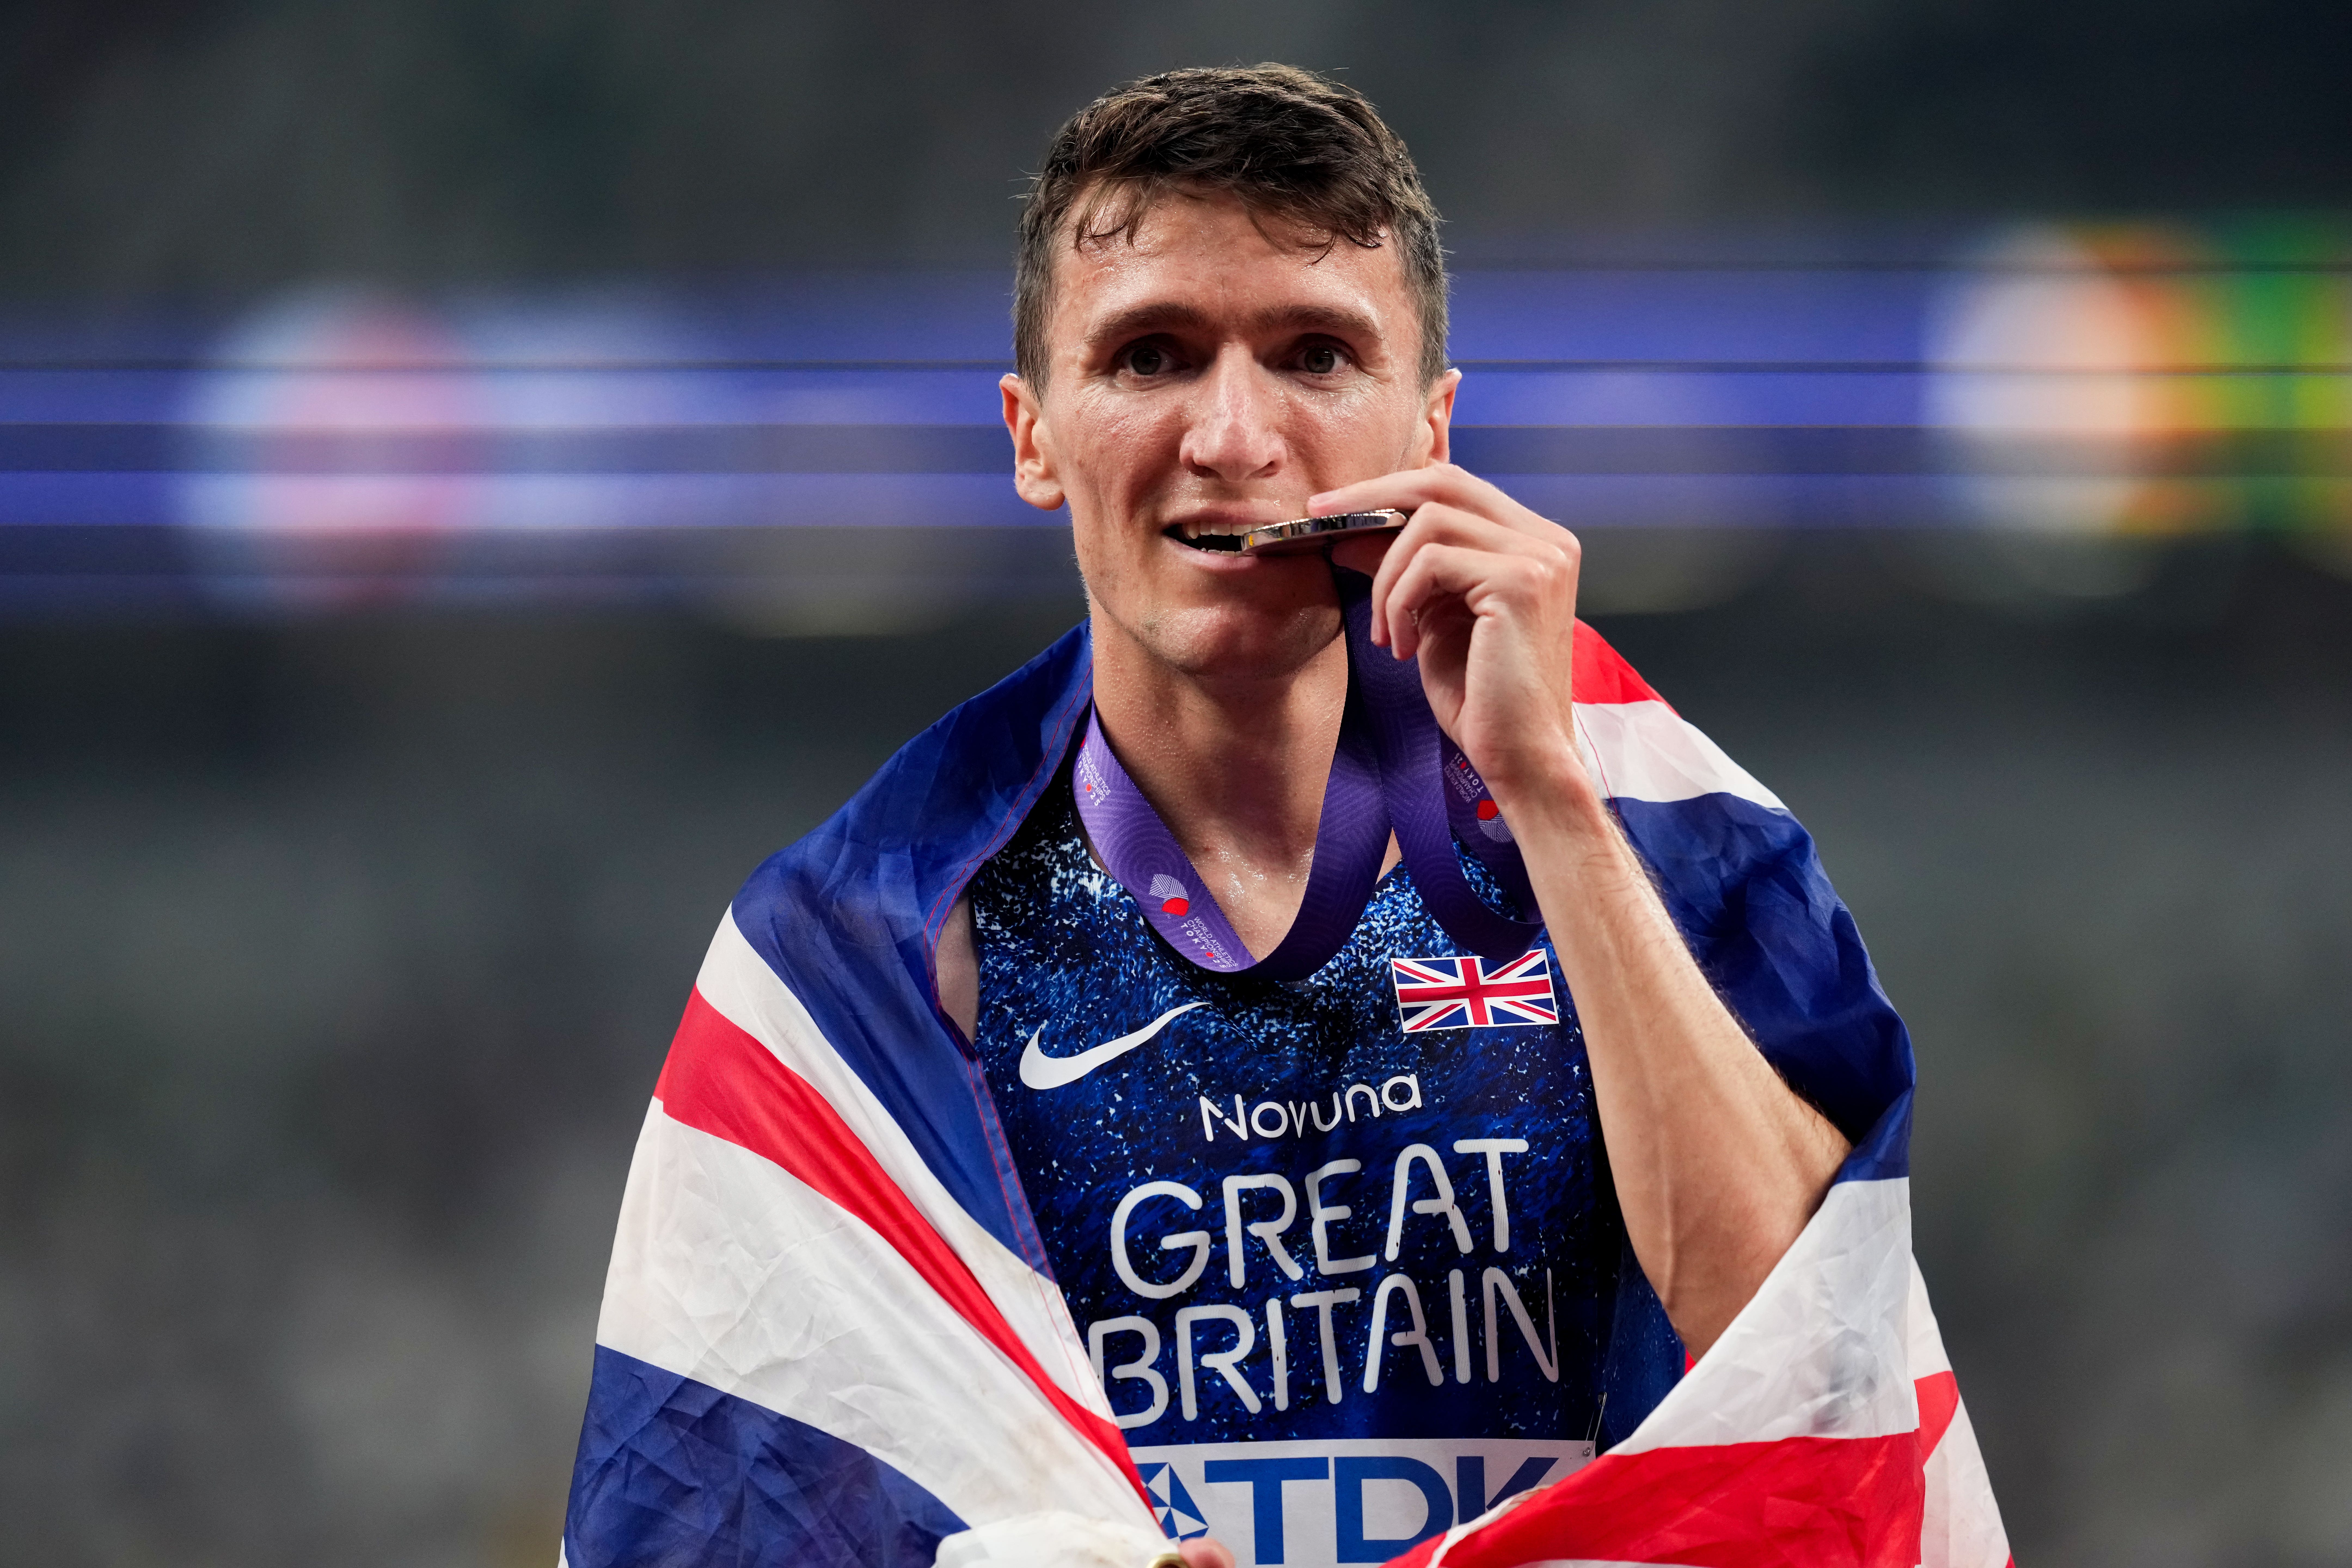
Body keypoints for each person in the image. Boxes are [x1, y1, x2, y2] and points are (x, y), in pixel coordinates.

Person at [562, 64, 1959, 1568]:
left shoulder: (1650, 843)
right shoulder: (869, 946)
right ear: (1035, 437)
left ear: (1432, 426)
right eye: (1153, 355)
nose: (1234, 436)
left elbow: (1820, 1397)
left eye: (1314, 355)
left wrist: (1551, 797)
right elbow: (729, 1522)